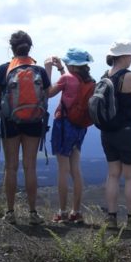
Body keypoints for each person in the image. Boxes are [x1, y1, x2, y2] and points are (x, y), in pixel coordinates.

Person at [0, 31, 52, 225]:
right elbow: (47, 95)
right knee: (30, 167)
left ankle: (10, 213)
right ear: (30, 47)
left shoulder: (4, 69)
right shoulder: (39, 71)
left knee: (11, 167)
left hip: (10, 122)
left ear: (11, 47)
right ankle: (33, 213)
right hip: (34, 121)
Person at [101, 40, 131, 230]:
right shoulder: (129, 77)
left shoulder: (106, 76)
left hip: (108, 133)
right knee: (130, 176)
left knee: (113, 175)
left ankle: (111, 217)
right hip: (128, 133)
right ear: (124, 56)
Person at [45, 48, 94, 224]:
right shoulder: (89, 81)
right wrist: (61, 70)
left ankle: (63, 212)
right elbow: (74, 87)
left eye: (67, 62)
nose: (65, 63)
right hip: (80, 126)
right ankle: (77, 212)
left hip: (64, 125)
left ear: (73, 65)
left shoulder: (66, 79)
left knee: (63, 170)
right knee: (76, 169)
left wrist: (48, 69)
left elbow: (47, 93)